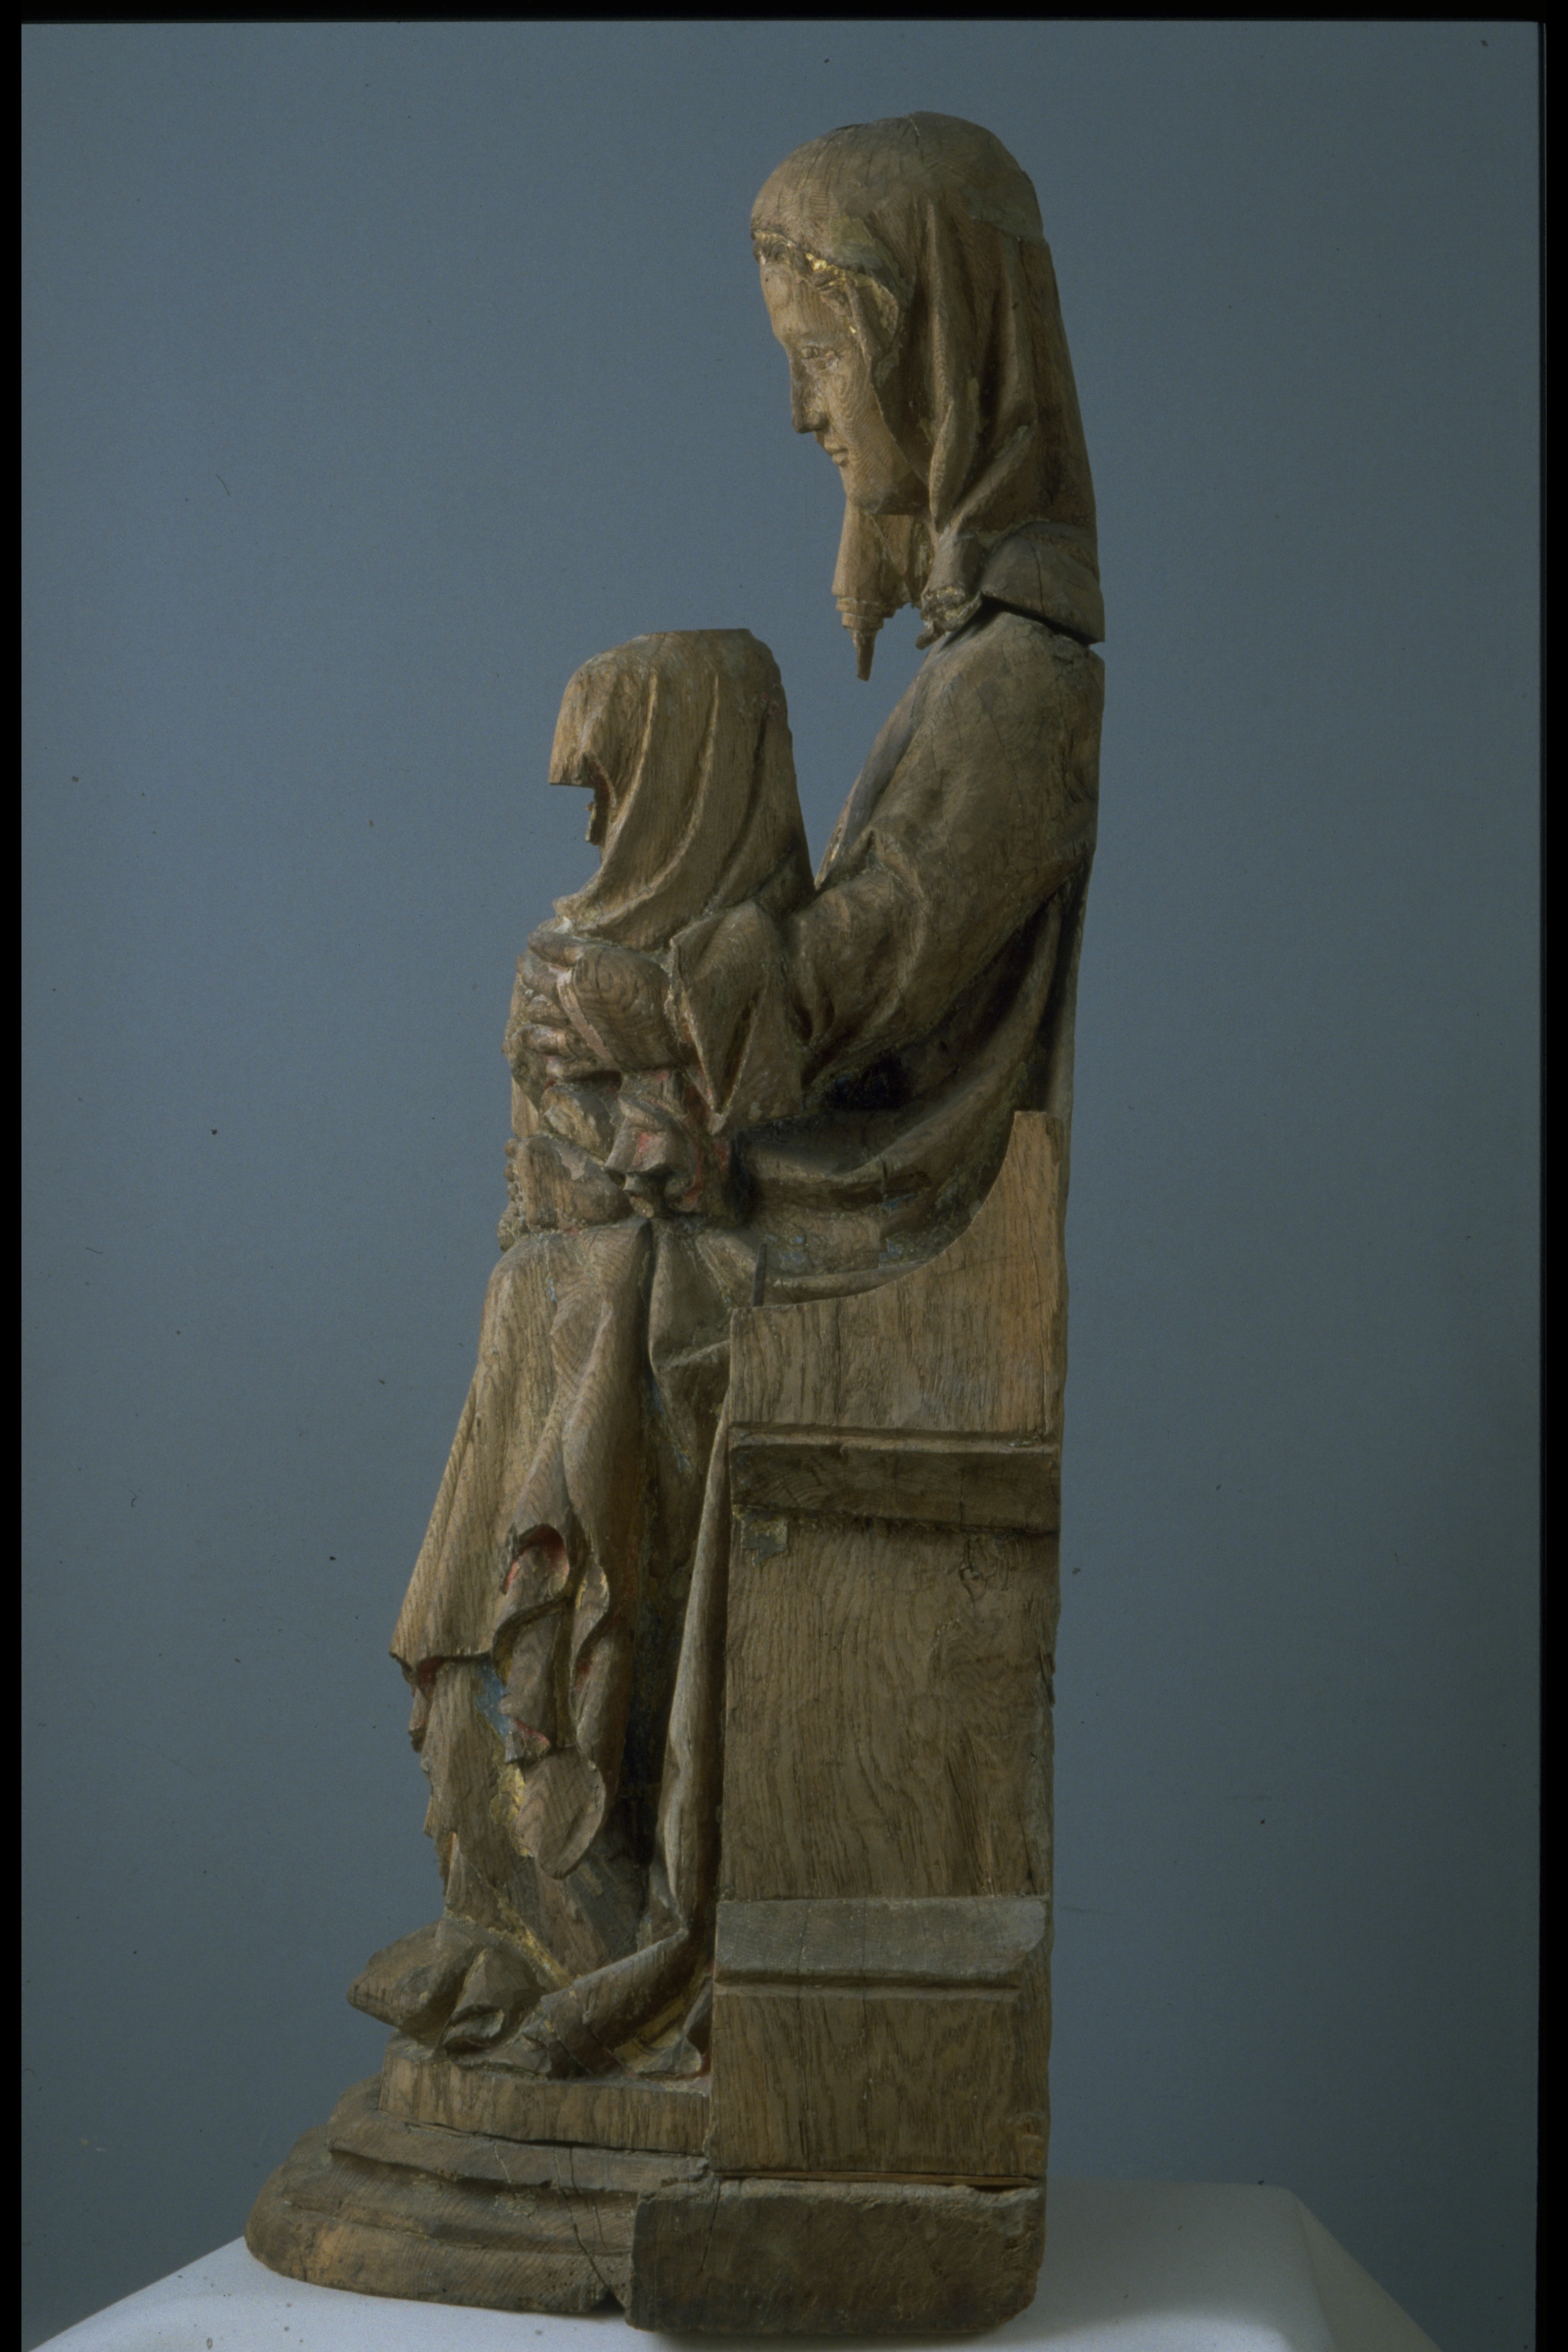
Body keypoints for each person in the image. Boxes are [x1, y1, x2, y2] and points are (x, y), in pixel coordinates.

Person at [356, 112, 1105, 2079]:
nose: (799, 414)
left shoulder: (1019, 687)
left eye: (818, 357)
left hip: (889, 1237)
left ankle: (577, 1863)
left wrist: (620, 987)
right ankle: (523, 1849)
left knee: (593, 1294)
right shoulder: (968, 669)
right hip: (839, 1196)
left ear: (937, 355)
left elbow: (859, 978)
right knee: (565, 1281)